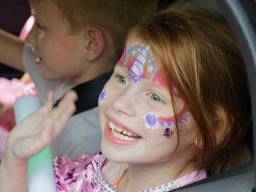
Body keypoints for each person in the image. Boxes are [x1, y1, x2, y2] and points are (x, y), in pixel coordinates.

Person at [0, 5, 252, 192]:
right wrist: (15, 159)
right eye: (121, 78)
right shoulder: (107, 166)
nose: (118, 103)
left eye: (154, 97)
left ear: (213, 127)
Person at [0, 0, 158, 158]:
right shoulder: (59, 71)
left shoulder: (88, 142)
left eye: (40, 27)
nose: (29, 38)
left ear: (90, 44)